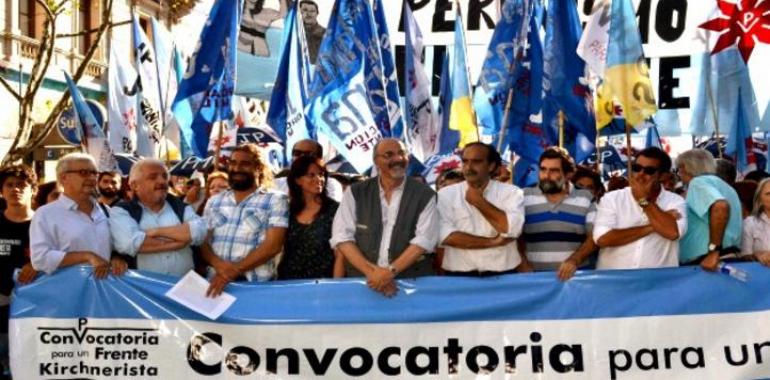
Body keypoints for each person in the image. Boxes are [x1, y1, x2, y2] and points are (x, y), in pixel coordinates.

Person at [331, 138, 437, 296]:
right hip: (364, 283)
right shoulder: (355, 192)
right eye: (389, 155)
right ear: (376, 161)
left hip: (410, 286)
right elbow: (342, 237)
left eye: (402, 153)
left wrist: (388, 273)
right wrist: (373, 274)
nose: (398, 159)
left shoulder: (425, 194)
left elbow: (423, 240)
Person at [202, 144, 288, 296]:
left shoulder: (276, 200)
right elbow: (203, 241)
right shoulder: (214, 202)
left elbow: (273, 245)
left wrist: (234, 270)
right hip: (215, 285)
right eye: (233, 163)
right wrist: (219, 266)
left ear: (259, 167)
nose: (237, 168)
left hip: (256, 288)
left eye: (245, 164)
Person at [30, 153, 127, 278]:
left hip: (103, 289)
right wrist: (87, 256)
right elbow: (40, 259)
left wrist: (116, 258)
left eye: (94, 173)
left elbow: (114, 247)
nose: (92, 178)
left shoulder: (105, 211)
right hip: (69, 291)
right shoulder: (46, 214)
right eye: (83, 172)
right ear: (63, 177)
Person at [438, 142, 525, 276]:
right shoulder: (445, 195)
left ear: (491, 166)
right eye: (465, 161)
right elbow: (446, 237)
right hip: (460, 277)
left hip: (503, 276)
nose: (468, 167)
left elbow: (512, 230)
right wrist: (493, 242)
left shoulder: (512, 193)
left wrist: (480, 203)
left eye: (476, 162)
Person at [593, 147, 687, 269]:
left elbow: (673, 233)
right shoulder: (611, 198)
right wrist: (653, 226)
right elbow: (602, 239)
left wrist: (643, 201)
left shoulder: (675, 201)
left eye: (649, 171)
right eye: (637, 168)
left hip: (657, 283)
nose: (641, 174)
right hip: (614, 281)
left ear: (663, 176)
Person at [110, 159, 207, 276]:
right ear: (134, 185)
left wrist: (155, 232)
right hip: (146, 289)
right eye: (153, 177)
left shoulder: (180, 206)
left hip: (185, 287)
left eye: (165, 176)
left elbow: (199, 232)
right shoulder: (121, 210)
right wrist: (177, 243)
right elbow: (130, 244)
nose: (162, 181)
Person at [520, 148, 596, 280]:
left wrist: (574, 260)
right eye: (543, 169)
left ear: (568, 174)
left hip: (576, 279)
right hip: (533, 279)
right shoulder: (523, 196)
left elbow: (594, 237)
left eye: (554, 171)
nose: (546, 176)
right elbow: (514, 236)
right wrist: (522, 263)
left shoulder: (586, 197)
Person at [0, 165, 39, 376]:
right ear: (1, 191)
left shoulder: (45, 223)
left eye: (22, 185)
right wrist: (14, 275)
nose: (15, 189)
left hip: (37, 309)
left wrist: (38, 264)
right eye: (9, 185)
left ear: (33, 190)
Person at [676, 149, 742, 271]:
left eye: (679, 170)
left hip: (710, 261)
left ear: (686, 168)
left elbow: (720, 206)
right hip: (724, 257)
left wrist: (713, 251)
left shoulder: (698, 183)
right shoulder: (724, 186)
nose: (679, 175)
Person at [278, 156, 340, 279]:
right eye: (311, 175)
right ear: (297, 180)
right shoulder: (286, 210)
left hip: (322, 285)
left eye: (321, 174)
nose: (319, 179)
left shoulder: (336, 210)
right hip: (287, 283)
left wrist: (336, 286)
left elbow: (341, 254)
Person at [273, 139, 343, 202]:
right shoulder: (277, 184)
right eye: (297, 153)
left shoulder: (331, 185)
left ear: (320, 159)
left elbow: (331, 212)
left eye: (308, 154)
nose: (301, 157)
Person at [740, 178, 770, 266]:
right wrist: (757, 255)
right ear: (759, 199)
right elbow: (745, 255)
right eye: (769, 194)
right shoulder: (750, 223)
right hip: (760, 274)